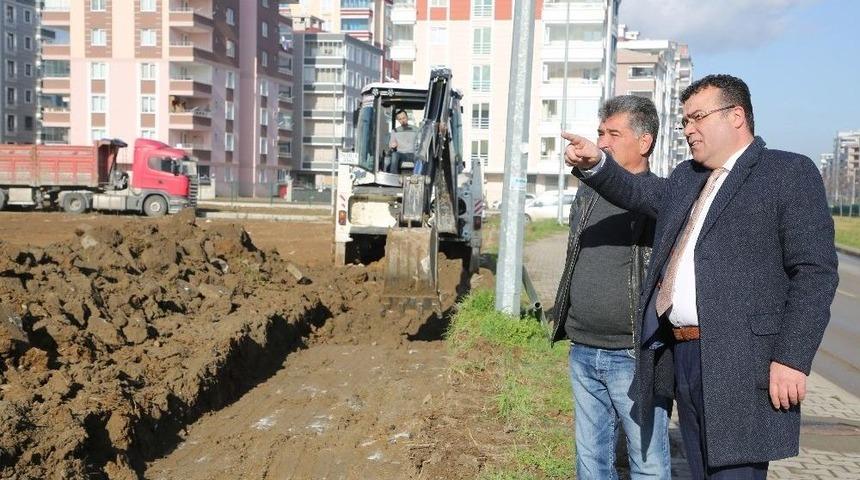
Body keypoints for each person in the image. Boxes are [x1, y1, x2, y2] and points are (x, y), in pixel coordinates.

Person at [561, 74, 839, 479]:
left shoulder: (786, 173)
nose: (688, 129)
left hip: (741, 361)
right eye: (684, 121)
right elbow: (638, 192)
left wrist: (791, 357)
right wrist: (598, 163)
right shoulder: (688, 177)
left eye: (697, 118)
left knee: (734, 473)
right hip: (685, 356)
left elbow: (815, 273)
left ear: (736, 116)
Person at [551, 95, 671, 479]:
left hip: (634, 356)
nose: (602, 142)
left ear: (645, 141)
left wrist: (597, 168)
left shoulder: (663, 196)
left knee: (648, 464)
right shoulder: (588, 193)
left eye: (613, 134)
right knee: (591, 462)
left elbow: (631, 194)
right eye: (600, 133)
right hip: (583, 348)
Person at [387, 109, 417, 173]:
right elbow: (390, 145)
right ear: (398, 120)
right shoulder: (395, 131)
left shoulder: (416, 129)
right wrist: (393, 145)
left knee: (419, 157)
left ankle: (418, 175)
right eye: (400, 119)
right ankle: (393, 175)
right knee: (394, 155)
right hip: (400, 154)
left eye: (404, 118)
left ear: (407, 117)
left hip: (412, 154)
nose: (402, 120)